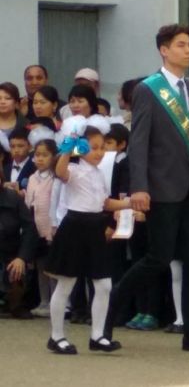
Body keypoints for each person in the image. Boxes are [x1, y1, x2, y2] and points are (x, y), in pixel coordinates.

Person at [105, 24, 189, 354]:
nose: (188, 50)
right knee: (158, 258)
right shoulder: (149, 89)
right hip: (160, 187)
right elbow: (139, 141)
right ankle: (108, 313)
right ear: (164, 50)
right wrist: (139, 187)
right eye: (181, 45)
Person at [45, 119, 130, 354]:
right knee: (66, 283)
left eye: (102, 147)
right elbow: (60, 171)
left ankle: (98, 335)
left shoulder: (98, 173)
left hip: (95, 227)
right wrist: (68, 149)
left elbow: (105, 203)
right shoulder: (73, 169)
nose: (99, 152)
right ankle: (56, 336)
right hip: (74, 226)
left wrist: (130, 203)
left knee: (103, 284)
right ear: (81, 148)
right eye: (93, 147)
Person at [25, 129, 58, 318]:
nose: (40, 159)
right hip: (35, 229)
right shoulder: (32, 178)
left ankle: (55, 302)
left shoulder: (55, 178)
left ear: (54, 157)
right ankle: (44, 301)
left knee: (52, 268)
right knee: (40, 267)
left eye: (45, 155)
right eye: (37, 155)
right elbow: (28, 203)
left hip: (51, 229)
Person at [0, 168, 37, 319]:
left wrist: (22, 257)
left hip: (10, 253)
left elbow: (30, 229)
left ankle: (15, 304)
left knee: (16, 269)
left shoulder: (14, 199)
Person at [3, 127, 35, 193]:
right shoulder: (5, 168)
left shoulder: (35, 167)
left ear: (30, 146)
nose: (16, 150)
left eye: (20, 146)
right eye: (12, 146)